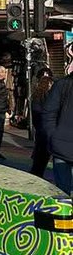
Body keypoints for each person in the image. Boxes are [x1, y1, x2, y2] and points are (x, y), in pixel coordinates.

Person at [41, 69, 73, 197]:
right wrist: (53, 135)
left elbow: (49, 113)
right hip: (62, 147)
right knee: (63, 192)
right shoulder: (63, 84)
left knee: (63, 193)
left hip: (60, 145)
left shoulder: (61, 84)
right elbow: (49, 113)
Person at [30, 68, 55, 177]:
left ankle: (37, 172)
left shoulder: (38, 95)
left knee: (41, 153)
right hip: (44, 128)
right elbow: (37, 112)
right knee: (42, 153)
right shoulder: (44, 96)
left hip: (42, 128)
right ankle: (37, 173)